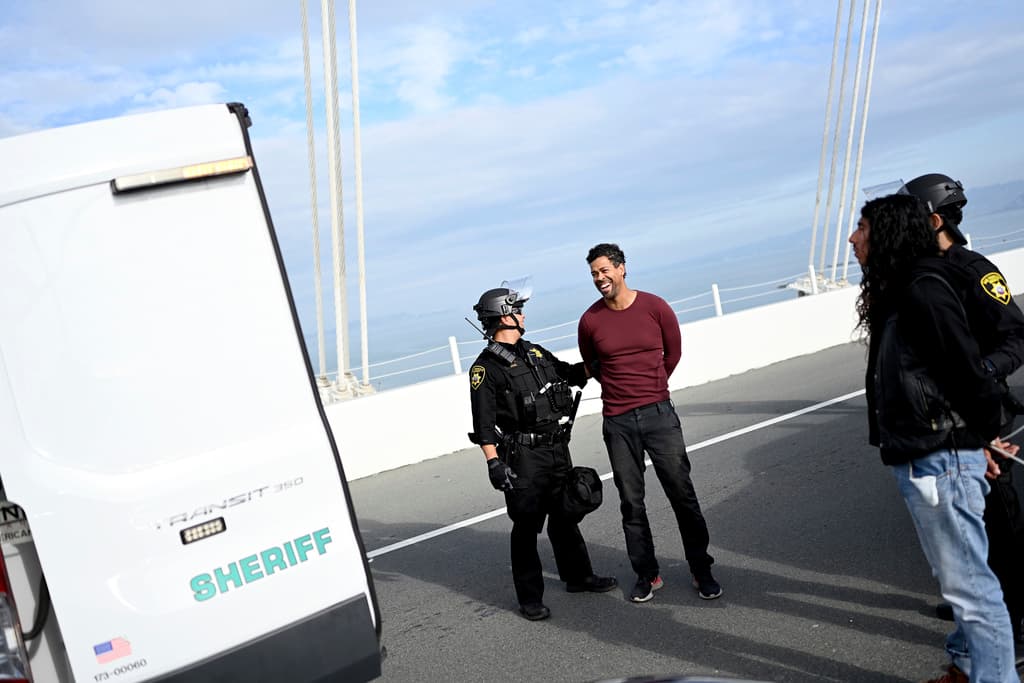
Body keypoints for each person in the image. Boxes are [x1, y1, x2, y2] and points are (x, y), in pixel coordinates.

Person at [849, 193, 1018, 683]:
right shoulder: (901, 290)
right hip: (931, 458)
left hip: (938, 461)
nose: (854, 237)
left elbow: (966, 373)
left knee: (973, 591)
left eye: (862, 227)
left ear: (889, 233)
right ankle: (969, 666)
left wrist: (979, 436)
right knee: (963, 586)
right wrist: (978, 440)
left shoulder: (923, 288)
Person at [901, 173, 1024, 641]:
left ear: (934, 221)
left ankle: (1014, 617)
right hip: (941, 421)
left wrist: (981, 372)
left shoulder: (973, 270)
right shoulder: (918, 277)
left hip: (980, 413)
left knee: (998, 519)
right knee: (960, 517)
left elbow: (1016, 336)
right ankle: (978, 598)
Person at [577, 243, 721, 604]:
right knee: (631, 503)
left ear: (622, 268)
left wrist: (653, 389)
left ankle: (700, 568)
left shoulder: (655, 307)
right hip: (618, 422)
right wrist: (624, 394)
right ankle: (647, 574)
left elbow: (673, 353)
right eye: (594, 273)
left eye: (604, 270)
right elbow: (592, 366)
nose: (599, 278)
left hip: (659, 416)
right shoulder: (590, 320)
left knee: (682, 496)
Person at [467, 281, 617, 621]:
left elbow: (569, 375)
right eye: (517, 310)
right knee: (526, 528)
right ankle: (530, 598)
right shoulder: (485, 369)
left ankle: (579, 577)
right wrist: (494, 463)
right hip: (523, 457)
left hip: (556, 448)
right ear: (503, 317)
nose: (522, 314)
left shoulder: (534, 352)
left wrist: (600, 359)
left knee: (566, 514)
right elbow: (484, 424)